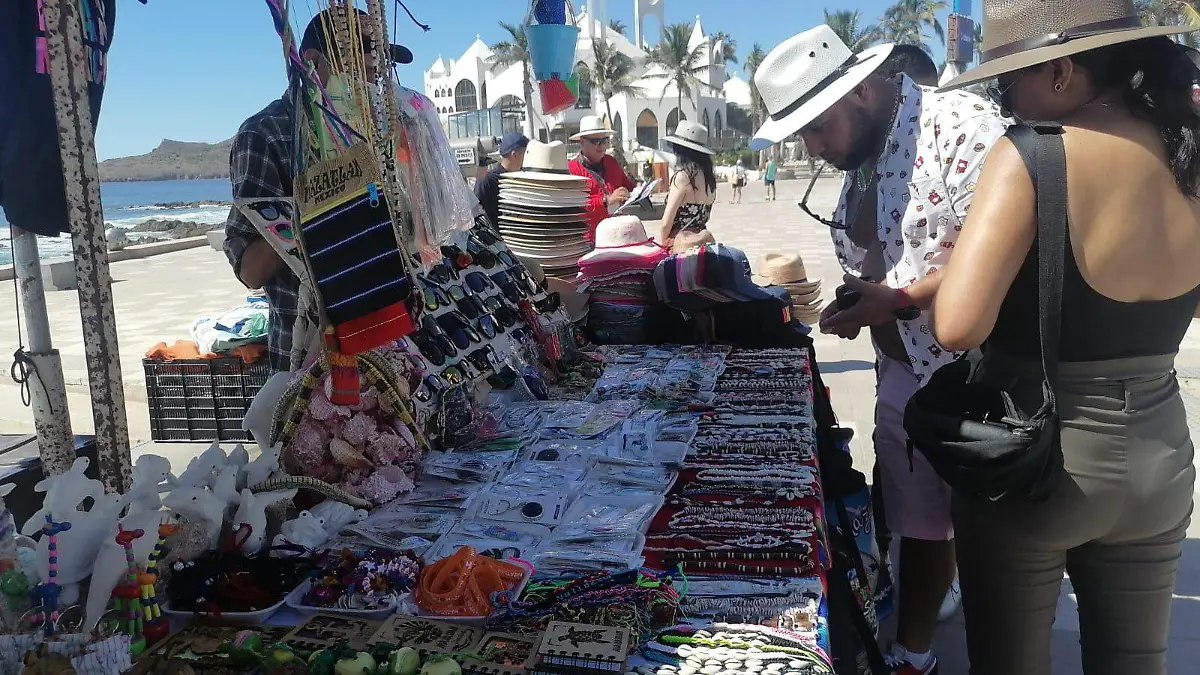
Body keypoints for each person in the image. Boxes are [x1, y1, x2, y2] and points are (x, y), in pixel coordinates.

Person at [930, 3, 1199, 674]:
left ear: (1059, 71)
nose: (1004, 99)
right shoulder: (1187, 150)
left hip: (1041, 458)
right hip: (1160, 454)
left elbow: (958, 324)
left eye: (1007, 80)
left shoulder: (1033, 154)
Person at [751, 25, 1008, 674]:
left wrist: (894, 301)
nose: (812, 145)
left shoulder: (959, 128)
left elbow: (1013, 254)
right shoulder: (858, 167)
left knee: (993, 550)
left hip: (984, 385)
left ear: (861, 90)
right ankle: (912, 653)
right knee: (919, 527)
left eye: (818, 126)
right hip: (902, 373)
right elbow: (881, 261)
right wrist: (867, 303)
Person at [223, 9, 413, 372]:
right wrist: (326, 195)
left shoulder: (378, 133)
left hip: (389, 344)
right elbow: (251, 270)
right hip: (312, 361)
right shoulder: (266, 134)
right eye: (359, 71)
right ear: (312, 63)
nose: (373, 84)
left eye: (376, 74)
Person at [569, 115, 634, 239]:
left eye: (604, 140)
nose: (601, 146)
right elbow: (576, 206)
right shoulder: (572, 169)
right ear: (582, 142)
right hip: (589, 239)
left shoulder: (611, 162)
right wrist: (606, 201)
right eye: (595, 142)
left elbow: (627, 186)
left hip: (618, 233)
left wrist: (634, 192)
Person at [657, 120, 717, 252]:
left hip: (682, 243)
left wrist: (663, 246)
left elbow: (666, 222)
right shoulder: (709, 178)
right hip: (703, 241)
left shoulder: (683, 177)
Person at [473, 131, 528, 227]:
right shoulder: (488, 181)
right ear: (515, 155)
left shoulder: (523, 178)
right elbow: (476, 213)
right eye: (526, 153)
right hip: (498, 239)